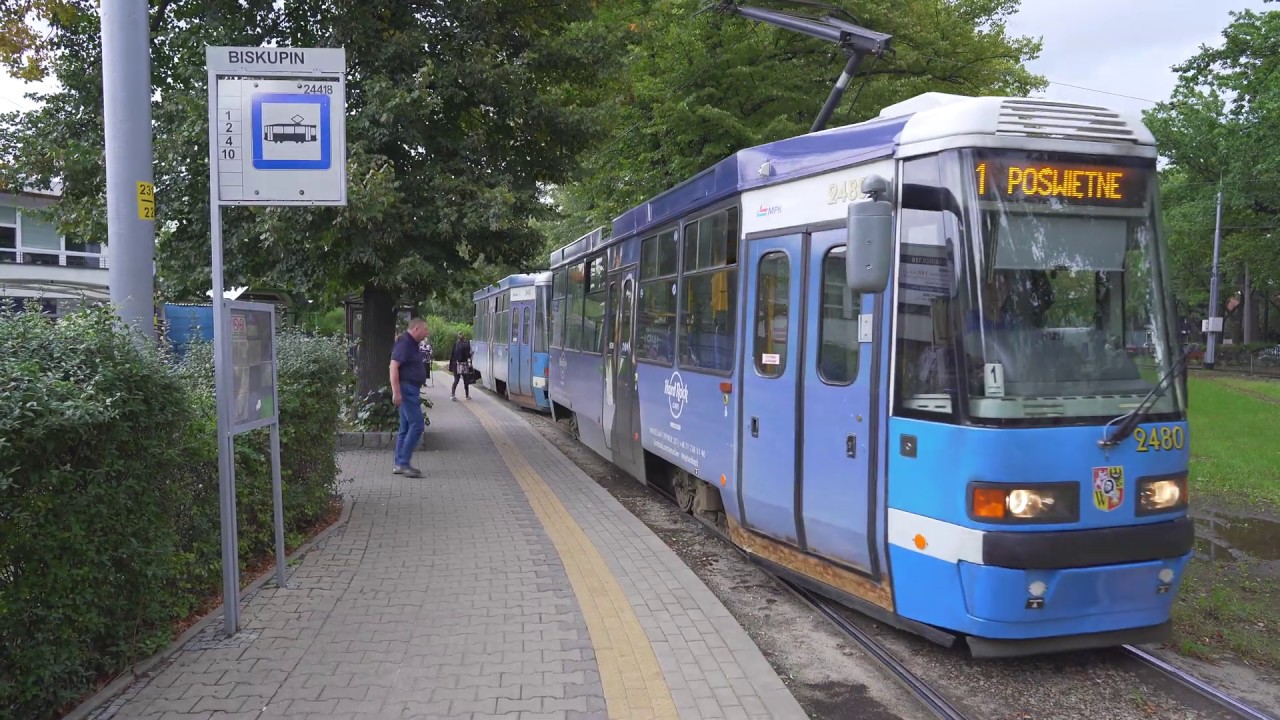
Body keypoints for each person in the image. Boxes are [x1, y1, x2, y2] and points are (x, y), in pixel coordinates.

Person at [390, 318, 429, 477]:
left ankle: (399, 463)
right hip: (407, 389)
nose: (427, 333)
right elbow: (393, 367)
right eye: (425, 329)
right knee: (417, 425)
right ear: (416, 329)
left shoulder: (411, 343)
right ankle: (403, 463)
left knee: (405, 428)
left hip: (410, 389)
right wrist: (396, 392)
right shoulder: (405, 343)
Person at [449, 331, 474, 401]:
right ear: (464, 337)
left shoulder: (456, 344)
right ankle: (467, 395)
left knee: (456, 380)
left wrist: (451, 366)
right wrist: (471, 354)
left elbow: (452, 355)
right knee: (466, 380)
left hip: (456, 364)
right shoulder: (466, 344)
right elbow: (468, 355)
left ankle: (452, 395)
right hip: (464, 365)